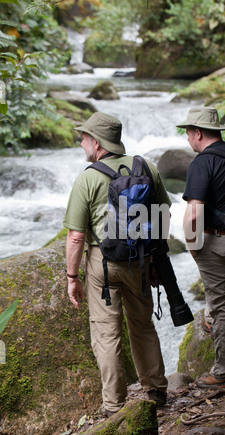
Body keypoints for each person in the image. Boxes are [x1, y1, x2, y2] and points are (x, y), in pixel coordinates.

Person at [63, 111, 170, 415]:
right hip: (139, 259)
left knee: (107, 334)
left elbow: (75, 237)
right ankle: (156, 391)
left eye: (83, 137)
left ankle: (114, 406)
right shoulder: (147, 167)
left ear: (96, 143)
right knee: (142, 325)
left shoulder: (88, 178)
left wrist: (72, 276)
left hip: (103, 264)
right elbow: (164, 215)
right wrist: (153, 257)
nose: (81, 142)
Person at [178, 107, 225, 387]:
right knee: (218, 290)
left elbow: (194, 213)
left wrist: (192, 246)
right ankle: (210, 317)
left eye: (187, 132)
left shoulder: (201, 163)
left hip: (220, 241)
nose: (187, 138)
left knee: (223, 304)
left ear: (198, 133)